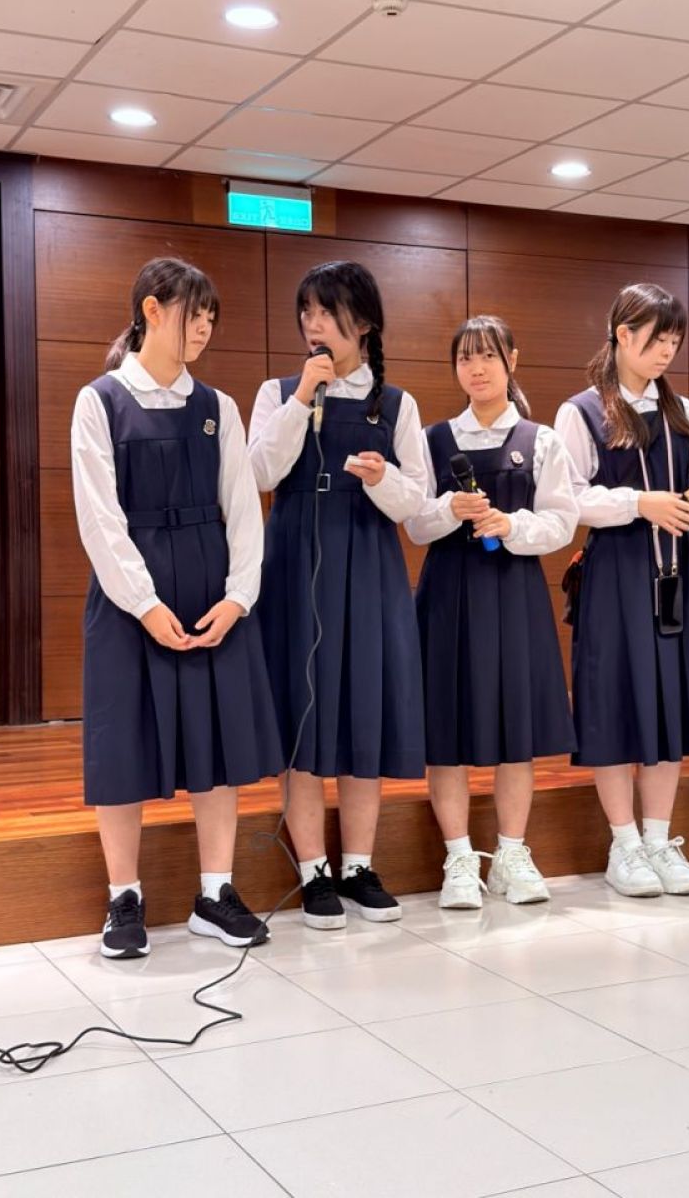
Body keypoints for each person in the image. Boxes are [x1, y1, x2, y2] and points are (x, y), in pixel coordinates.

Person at [72, 256, 281, 960]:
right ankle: (122, 898)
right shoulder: (99, 401)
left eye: (212, 316)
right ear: (152, 311)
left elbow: (243, 510)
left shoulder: (218, 407)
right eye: (195, 313)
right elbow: (99, 518)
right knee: (122, 742)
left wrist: (238, 596)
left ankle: (215, 893)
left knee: (217, 745)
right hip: (129, 597)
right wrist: (143, 603)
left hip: (210, 593)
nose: (205, 327)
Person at [555, 283, 689, 898]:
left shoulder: (682, 410)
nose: (668, 351)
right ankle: (624, 845)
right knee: (616, 702)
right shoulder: (581, 411)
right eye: (657, 339)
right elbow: (569, 499)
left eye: (674, 340)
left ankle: (660, 838)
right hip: (616, 568)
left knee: (670, 702)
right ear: (623, 334)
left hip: (676, 568)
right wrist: (640, 503)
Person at [249, 260, 427, 929]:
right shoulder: (278, 391)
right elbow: (257, 471)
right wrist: (301, 398)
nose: (313, 324)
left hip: (370, 561)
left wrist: (383, 479)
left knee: (361, 714)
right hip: (295, 561)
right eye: (307, 312)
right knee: (303, 717)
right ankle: (311, 871)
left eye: (326, 311)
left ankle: (357, 865)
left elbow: (417, 504)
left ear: (365, 322)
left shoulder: (397, 403)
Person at [406, 315, 578, 909]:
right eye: (465, 358)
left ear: (512, 361)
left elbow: (562, 521)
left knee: (515, 732)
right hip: (447, 593)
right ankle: (458, 859)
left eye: (488, 357)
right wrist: (448, 510)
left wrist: (511, 525)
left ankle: (511, 854)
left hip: (513, 590)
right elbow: (414, 523)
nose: (476, 369)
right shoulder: (431, 439)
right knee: (445, 731)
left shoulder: (540, 439)